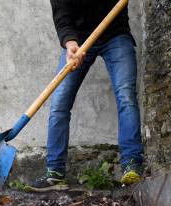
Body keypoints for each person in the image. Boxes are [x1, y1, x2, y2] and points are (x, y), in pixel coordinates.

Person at [27, 0, 144, 192]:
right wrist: (70, 43)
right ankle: (55, 172)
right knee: (59, 104)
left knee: (126, 96)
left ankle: (132, 164)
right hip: (79, 40)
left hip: (115, 34)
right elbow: (62, 16)